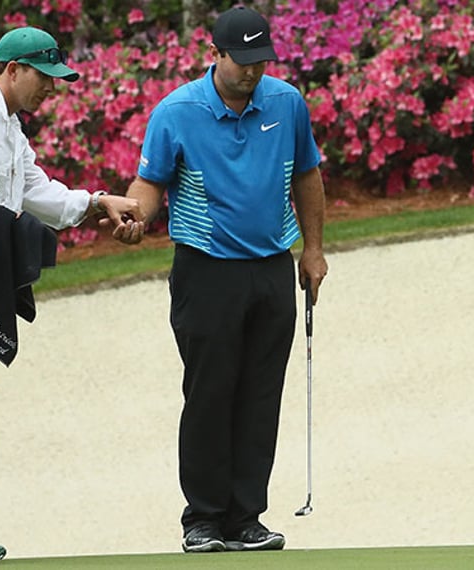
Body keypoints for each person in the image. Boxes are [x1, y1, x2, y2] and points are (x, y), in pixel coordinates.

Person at [0, 26, 141, 565]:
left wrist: (97, 201)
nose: (52, 88)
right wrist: (3, 220)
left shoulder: (10, 128)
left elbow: (38, 193)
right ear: (12, 70)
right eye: (44, 76)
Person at [112, 6, 328, 554]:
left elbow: (307, 174)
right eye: (242, 60)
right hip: (205, 270)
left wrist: (314, 250)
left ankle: (245, 517)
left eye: (261, 60)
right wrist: (136, 218)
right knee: (210, 393)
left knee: (261, 394)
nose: (252, 71)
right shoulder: (176, 112)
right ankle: (203, 518)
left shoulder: (287, 103)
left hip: (272, 267)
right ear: (215, 54)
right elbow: (149, 183)